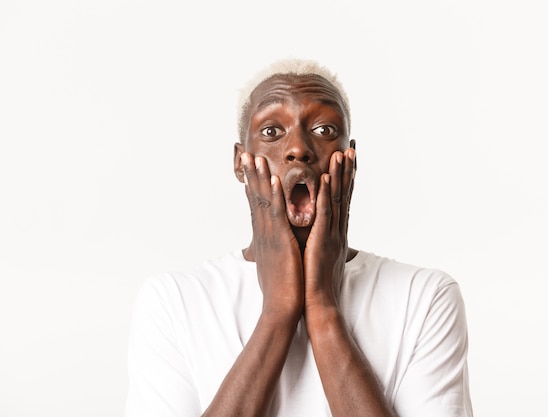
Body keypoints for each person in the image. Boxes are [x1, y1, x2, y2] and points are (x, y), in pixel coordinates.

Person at [125, 58, 473, 417]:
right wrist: (277, 313)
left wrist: (323, 308)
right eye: (272, 131)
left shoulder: (425, 296)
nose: (298, 149)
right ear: (241, 162)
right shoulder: (173, 301)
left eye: (324, 130)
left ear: (350, 159)